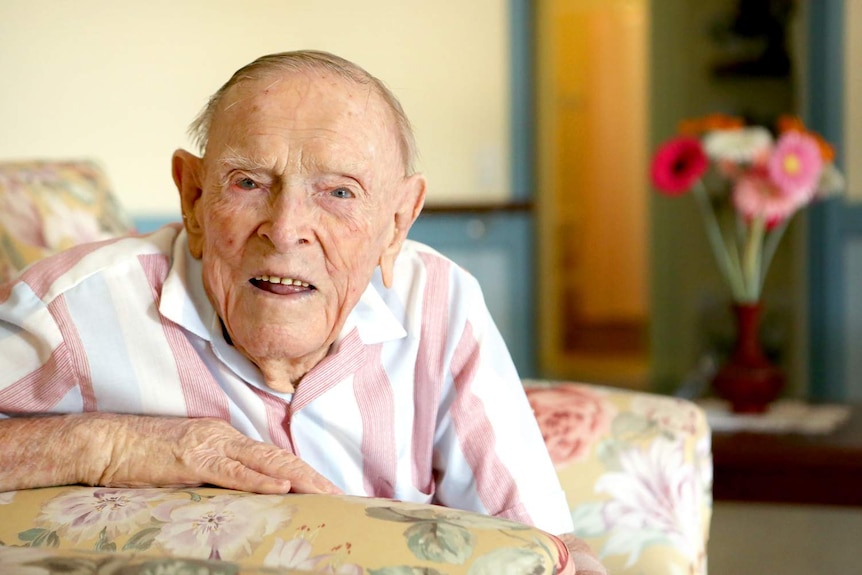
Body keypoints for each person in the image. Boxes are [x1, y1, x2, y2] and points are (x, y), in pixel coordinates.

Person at [0, 50, 604, 572]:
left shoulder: (440, 304)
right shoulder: (77, 308)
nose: (286, 231)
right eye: (248, 182)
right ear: (193, 195)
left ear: (397, 221)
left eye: (339, 192)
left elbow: (546, 543)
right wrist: (112, 449)